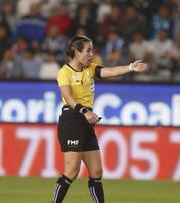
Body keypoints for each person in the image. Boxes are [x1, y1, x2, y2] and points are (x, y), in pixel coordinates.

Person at [52, 36, 147, 203]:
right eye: (88, 50)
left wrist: (130, 67)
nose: (91, 54)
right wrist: (84, 111)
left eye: (92, 50)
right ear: (76, 52)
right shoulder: (64, 72)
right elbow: (68, 97)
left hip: (86, 121)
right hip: (72, 120)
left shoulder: (90, 68)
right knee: (72, 171)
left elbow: (109, 71)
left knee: (96, 172)